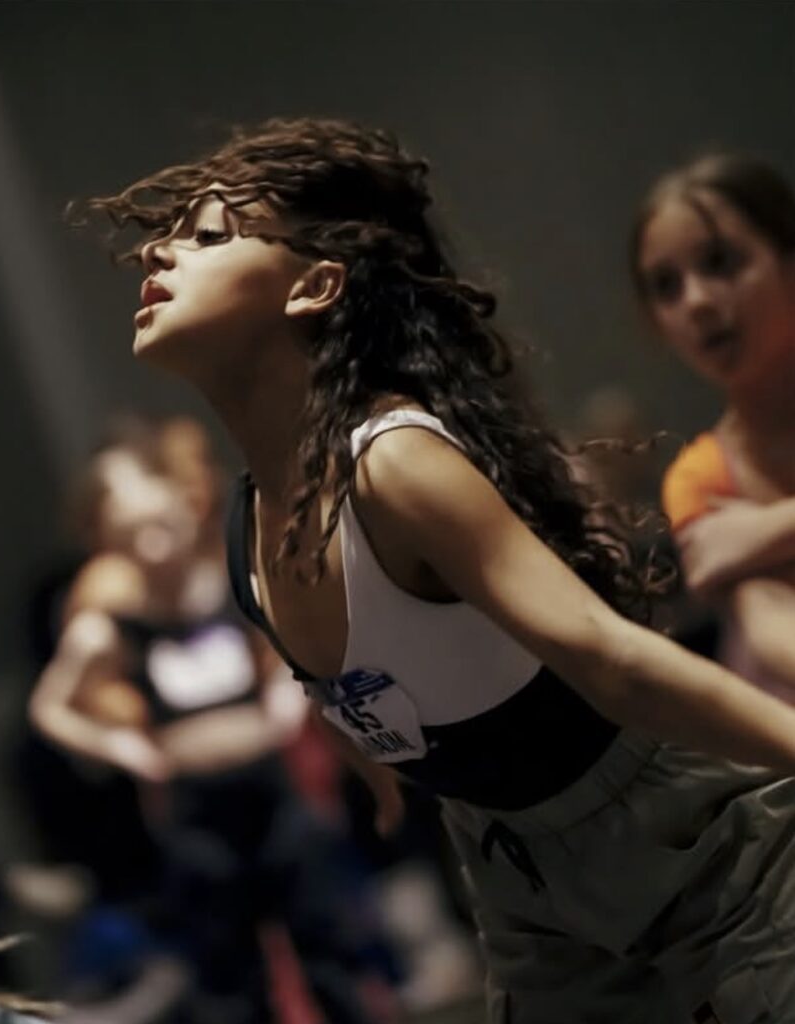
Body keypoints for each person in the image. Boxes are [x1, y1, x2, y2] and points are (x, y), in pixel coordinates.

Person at [84, 118, 795, 1021]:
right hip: (523, 891)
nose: (160, 249)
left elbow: (611, 658)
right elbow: (358, 691)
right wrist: (383, 782)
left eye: (211, 235)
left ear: (313, 286)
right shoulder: (246, 529)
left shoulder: (392, 462)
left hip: (698, 851)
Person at [30, 435, 380, 1024]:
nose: (153, 545)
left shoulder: (234, 582)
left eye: (161, 524)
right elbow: (50, 707)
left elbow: (294, 638)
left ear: (188, 506)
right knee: (229, 977)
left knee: (329, 944)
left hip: (274, 794)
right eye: (130, 534)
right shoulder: (111, 624)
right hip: (196, 814)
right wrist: (120, 745)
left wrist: (285, 691)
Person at [633, 153, 795, 703]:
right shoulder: (698, 476)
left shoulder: (736, 523)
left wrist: (766, 528)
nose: (697, 301)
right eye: (666, 286)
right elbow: (772, 627)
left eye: (720, 262)